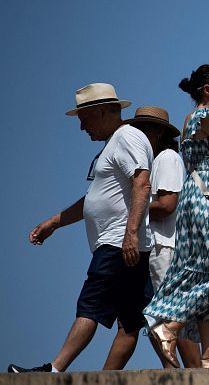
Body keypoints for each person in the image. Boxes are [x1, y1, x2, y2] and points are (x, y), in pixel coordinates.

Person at [8, 83, 153, 373]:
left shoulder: (127, 137)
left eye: (84, 119)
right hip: (123, 241)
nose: (82, 128)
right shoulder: (116, 142)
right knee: (129, 320)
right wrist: (55, 222)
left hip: (117, 241)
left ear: (100, 112)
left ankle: (55, 369)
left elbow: (142, 181)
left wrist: (130, 232)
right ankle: (111, 377)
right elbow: (95, 198)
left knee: (90, 304)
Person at [143, 64, 209, 369]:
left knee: (205, 271)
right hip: (205, 200)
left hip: (199, 198)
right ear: (208, 90)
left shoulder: (193, 118)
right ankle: (171, 325)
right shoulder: (207, 116)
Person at [126, 106, 202, 368]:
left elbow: (168, 204)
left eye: (145, 128)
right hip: (155, 247)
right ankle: (174, 370)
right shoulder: (153, 162)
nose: (139, 135)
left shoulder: (166, 158)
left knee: (171, 312)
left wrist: (130, 208)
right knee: (154, 316)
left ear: (158, 132)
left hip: (164, 247)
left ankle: (196, 371)